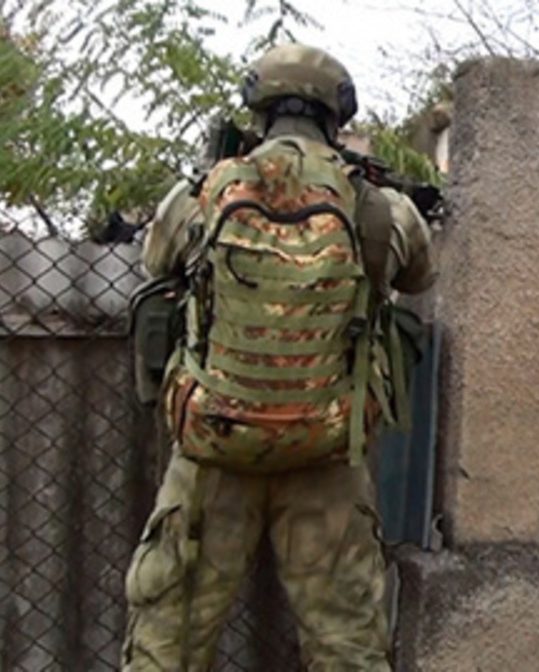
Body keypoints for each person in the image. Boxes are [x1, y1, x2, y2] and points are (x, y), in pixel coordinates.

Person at [122, 43, 437, 672]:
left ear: (257, 109)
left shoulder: (204, 193)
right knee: (347, 643)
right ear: (336, 114)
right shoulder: (377, 208)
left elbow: (153, 262)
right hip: (328, 451)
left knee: (169, 641)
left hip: (213, 448)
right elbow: (422, 277)